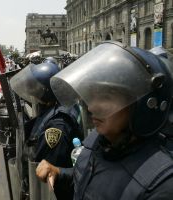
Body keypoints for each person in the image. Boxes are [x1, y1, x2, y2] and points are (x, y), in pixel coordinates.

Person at [36, 41, 173, 200]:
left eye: (106, 97)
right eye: (92, 96)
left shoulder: (161, 186)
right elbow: (87, 175)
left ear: (144, 105)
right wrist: (59, 172)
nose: (91, 107)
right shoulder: (101, 140)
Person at [10, 61, 82, 200]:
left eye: (37, 88)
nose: (33, 92)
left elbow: (47, 167)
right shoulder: (55, 106)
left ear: (46, 92)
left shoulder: (57, 125)